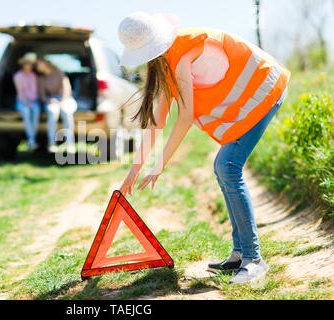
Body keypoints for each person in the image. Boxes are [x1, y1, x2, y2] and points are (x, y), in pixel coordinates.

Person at [118, 12, 290, 284]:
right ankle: (239, 252)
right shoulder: (165, 67)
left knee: (227, 166)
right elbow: (157, 123)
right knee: (224, 167)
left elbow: (185, 117)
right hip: (252, 96)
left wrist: (160, 165)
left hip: (265, 88)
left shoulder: (182, 57)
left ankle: (254, 258)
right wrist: (135, 170)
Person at [36, 58, 77, 153]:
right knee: (52, 112)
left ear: (45, 64)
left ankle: (70, 144)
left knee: (66, 113)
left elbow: (67, 88)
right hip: (52, 100)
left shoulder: (58, 72)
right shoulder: (41, 78)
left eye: (39, 64)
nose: (37, 66)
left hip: (66, 99)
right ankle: (51, 143)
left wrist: (62, 100)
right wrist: (49, 100)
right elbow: (42, 95)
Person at [13, 52, 41, 151]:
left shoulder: (34, 76)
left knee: (36, 111)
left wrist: (33, 102)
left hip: (34, 101)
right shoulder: (18, 76)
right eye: (26, 63)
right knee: (26, 112)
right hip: (22, 101)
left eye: (30, 64)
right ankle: (31, 140)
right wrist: (27, 102)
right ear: (23, 64)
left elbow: (36, 91)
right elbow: (20, 92)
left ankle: (31, 140)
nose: (28, 66)